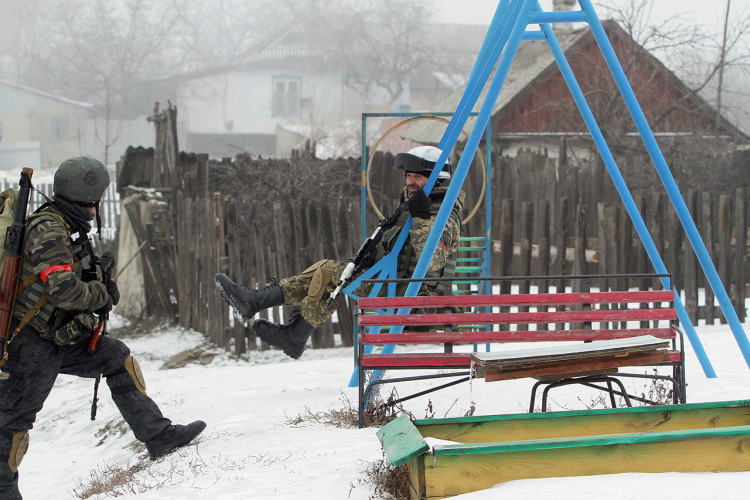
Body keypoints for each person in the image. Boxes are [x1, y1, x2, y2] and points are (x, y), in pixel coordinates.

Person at [0, 157, 205, 499]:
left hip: (59, 336)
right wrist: (99, 294)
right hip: (30, 344)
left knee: (116, 357)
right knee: (11, 423)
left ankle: (158, 436)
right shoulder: (49, 229)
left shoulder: (69, 225)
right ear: (90, 198)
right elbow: (63, 290)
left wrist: (101, 284)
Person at [215, 146, 465, 359]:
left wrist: (421, 218)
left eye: (418, 177)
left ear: (437, 179)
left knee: (327, 274)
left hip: (415, 300)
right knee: (328, 272)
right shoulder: (412, 209)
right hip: (393, 287)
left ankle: (287, 330)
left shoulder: (444, 217)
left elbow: (434, 260)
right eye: (408, 175)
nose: (410, 181)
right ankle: (275, 319)